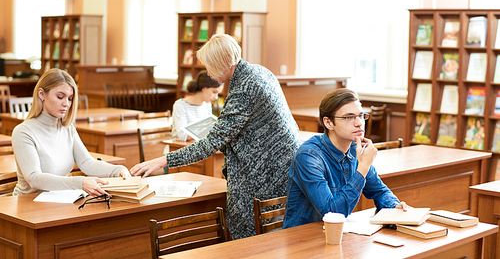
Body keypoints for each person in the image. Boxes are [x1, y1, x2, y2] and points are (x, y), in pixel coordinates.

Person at [131, 34, 302, 239]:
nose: (209, 74)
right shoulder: (258, 71)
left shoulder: (244, 87)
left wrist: (163, 160)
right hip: (283, 167)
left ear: (225, 63)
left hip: (267, 173)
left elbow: (210, 144)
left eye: (211, 67)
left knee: (254, 241)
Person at [283, 88, 409, 229]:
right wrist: (363, 168)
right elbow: (332, 213)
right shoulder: (309, 156)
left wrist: (394, 205)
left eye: (361, 115)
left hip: (336, 236)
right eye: (349, 117)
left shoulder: (355, 150)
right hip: (302, 239)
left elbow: (379, 191)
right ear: (328, 123)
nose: (359, 123)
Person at [12, 68, 130, 196]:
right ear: (41, 94)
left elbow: (87, 163)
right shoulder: (23, 132)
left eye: (70, 98)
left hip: (58, 199)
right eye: (60, 97)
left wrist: (118, 170)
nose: (66, 104)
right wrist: (80, 183)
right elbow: (34, 179)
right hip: (28, 204)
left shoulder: (68, 128)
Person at [171, 70, 222, 141]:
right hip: (179, 147)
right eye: (214, 92)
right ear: (204, 88)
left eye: (217, 94)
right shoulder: (180, 105)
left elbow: (208, 131)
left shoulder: (207, 104)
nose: (216, 97)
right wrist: (207, 132)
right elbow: (183, 136)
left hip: (198, 147)